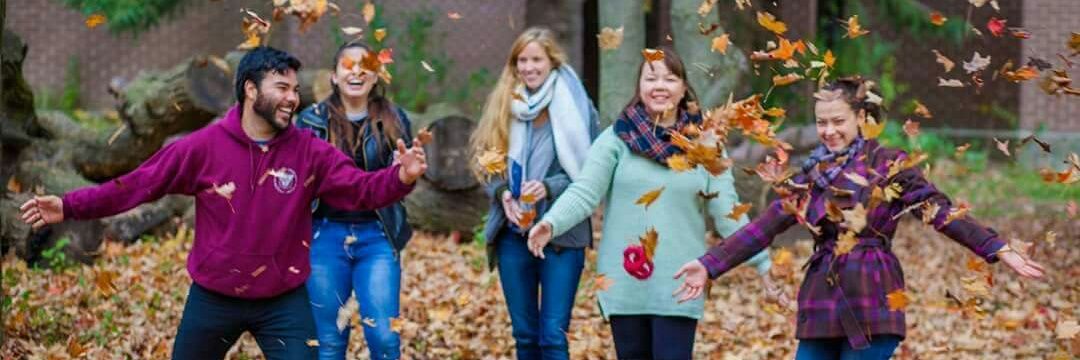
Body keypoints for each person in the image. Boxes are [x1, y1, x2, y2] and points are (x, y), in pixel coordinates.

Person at [18, 46, 429, 360]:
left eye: (295, 90)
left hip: (282, 299)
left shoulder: (309, 151)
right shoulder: (203, 147)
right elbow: (136, 185)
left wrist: (401, 177)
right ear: (251, 90)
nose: (292, 99)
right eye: (281, 88)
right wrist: (70, 205)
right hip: (214, 297)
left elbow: (361, 190)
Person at [673, 76, 1046, 359]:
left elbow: (938, 210)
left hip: (873, 292)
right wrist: (709, 265)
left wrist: (996, 247)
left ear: (862, 118)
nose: (829, 131)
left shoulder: (890, 163)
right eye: (822, 123)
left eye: (838, 121)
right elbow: (763, 226)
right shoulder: (811, 174)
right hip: (821, 293)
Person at [527, 46, 772, 360]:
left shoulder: (707, 145)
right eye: (651, 78)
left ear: (684, 88)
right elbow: (585, 192)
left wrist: (762, 262)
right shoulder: (616, 139)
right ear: (639, 86)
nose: (659, 86)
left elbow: (727, 213)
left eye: (669, 79)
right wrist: (551, 222)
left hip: (681, 281)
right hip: (625, 281)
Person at [470, 27, 599, 360]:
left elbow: (591, 173)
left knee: (553, 336)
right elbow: (487, 164)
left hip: (562, 234)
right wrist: (502, 193)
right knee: (525, 336)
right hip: (514, 234)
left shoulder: (578, 108)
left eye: (536, 59)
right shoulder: (504, 105)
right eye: (521, 60)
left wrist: (548, 186)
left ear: (552, 62)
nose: (528, 67)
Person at [294, 40, 415, 360]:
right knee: (329, 341)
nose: (357, 71)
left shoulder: (396, 119)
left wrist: (407, 175)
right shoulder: (310, 121)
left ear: (376, 76)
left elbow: (401, 183)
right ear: (333, 76)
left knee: (385, 337)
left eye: (366, 65)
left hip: (377, 235)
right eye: (348, 65)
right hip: (324, 235)